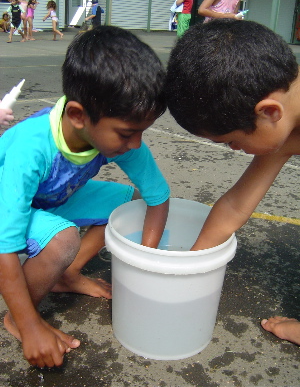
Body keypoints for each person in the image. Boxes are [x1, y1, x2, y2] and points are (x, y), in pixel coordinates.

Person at [0, 25, 170, 368]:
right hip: (7, 202)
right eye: (127, 133)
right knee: (61, 240)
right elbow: (4, 248)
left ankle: (67, 275)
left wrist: (146, 264)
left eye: (142, 131)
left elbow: (157, 197)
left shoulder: (112, 131)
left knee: (129, 203)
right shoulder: (30, 148)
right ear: (78, 115)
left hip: (52, 196)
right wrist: (32, 327)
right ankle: (20, 318)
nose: (136, 143)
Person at [165, 19, 300, 345]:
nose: (234, 150)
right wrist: (190, 269)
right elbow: (235, 205)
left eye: (232, 142)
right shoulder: (283, 113)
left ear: (269, 112)